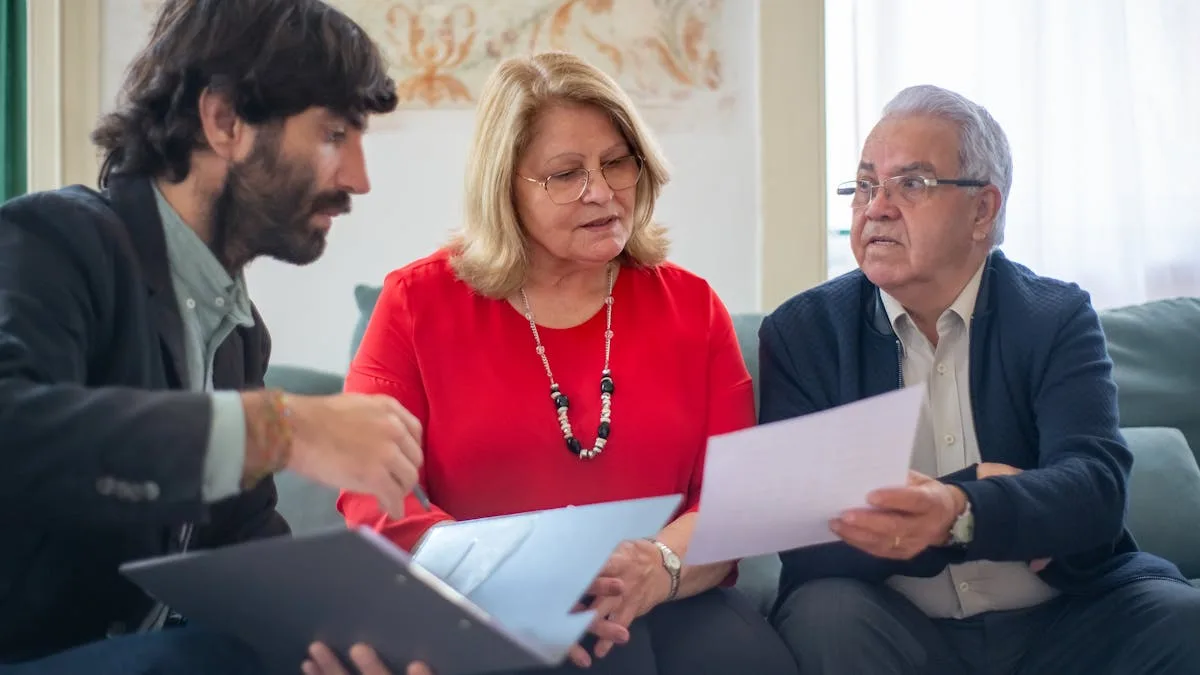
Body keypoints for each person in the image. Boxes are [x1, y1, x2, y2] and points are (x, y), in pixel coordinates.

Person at [331, 52, 799, 675]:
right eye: (564, 174)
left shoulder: (691, 307)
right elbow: (370, 495)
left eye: (615, 163)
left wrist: (654, 568)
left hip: (667, 602)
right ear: (505, 185)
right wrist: (501, 587)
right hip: (482, 610)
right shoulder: (417, 303)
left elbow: (737, 504)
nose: (602, 192)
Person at [0, 1, 430, 673]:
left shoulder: (237, 334)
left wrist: (374, 636)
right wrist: (281, 428)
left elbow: (247, 552)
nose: (358, 178)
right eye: (333, 134)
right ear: (225, 120)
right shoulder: (57, 239)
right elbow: (14, 431)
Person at [760, 83, 1200, 674]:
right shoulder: (805, 333)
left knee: (1179, 616)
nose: (876, 208)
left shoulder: (1054, 317)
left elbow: (1095, 490)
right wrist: (984, 498)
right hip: (895, 625)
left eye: (910, 184)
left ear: (983, 209)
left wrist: (960, 509)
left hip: (1067, 618)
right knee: (823, 615)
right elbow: (803, 532)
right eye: (865, 186)